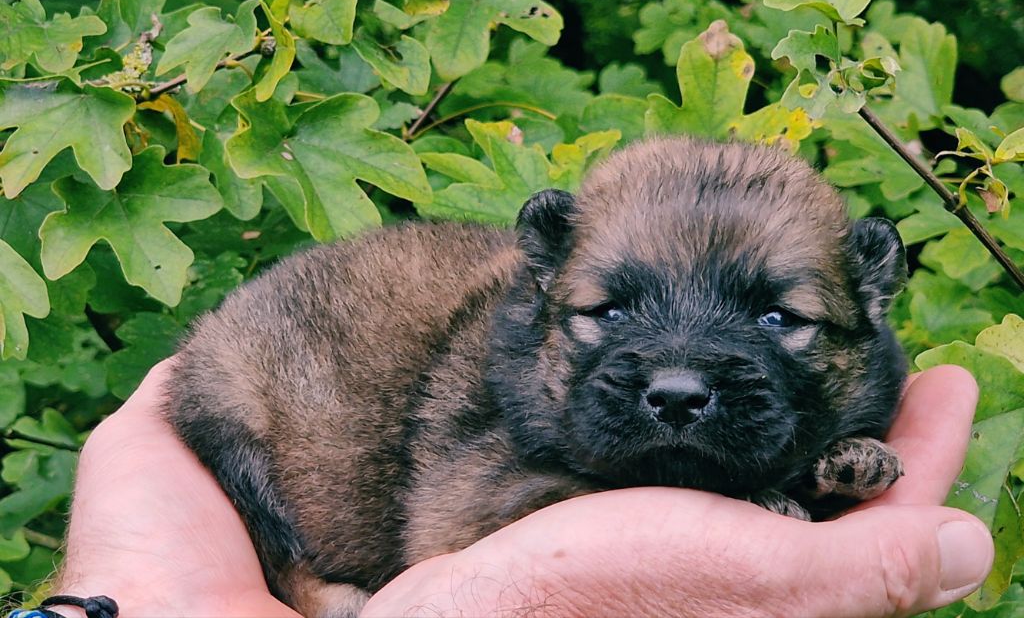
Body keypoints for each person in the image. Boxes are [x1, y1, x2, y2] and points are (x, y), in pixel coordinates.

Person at [48, 359, 991, 618]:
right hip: (300, 450)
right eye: (613, 312)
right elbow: (454, 521)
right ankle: (299, 575)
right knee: (221, 381)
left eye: (778, 315)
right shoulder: (514, 413)